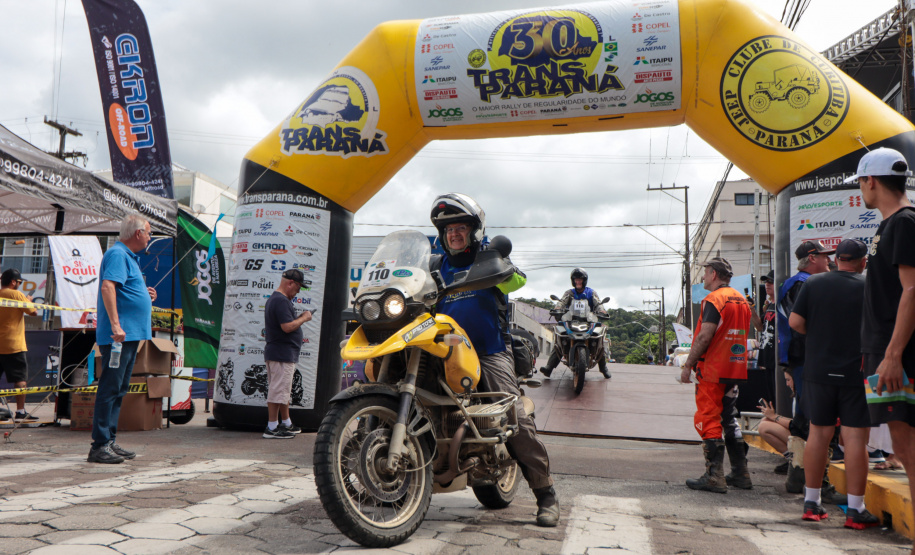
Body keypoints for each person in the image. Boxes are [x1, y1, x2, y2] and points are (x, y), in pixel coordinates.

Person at [430, 193, 559, 527]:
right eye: (448, 230)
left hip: (488, 351)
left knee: (513, 415)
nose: (454, 234)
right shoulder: (435, 267)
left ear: (474, 232)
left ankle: (545, 494)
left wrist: (501, 267)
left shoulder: (489, 258)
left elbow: (517, 280)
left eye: (460, 228)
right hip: (441, 351)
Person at [850, 147, 915, 543]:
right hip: (884, 351)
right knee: (905, 449)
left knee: (908, 450)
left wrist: (892, 356)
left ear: (871, 181)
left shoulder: (904, 222)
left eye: (859, 182)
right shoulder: (889, 226)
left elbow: (912, 290)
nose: (860, 190)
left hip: (898, 355)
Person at [789, 238, 876, 527]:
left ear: (836, 258)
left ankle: (811, 504)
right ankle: (855, 510)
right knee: (855, 440)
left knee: (818, 434)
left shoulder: (813, 284)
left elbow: (795, 323)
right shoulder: (869, 287)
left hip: (818, 371)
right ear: (863, 261)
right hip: (857, 373)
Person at [680, 257, 753, 493]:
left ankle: (714, 477)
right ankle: (741, 474)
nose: (703, 277)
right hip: (735, 367)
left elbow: (704, 336)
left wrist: (688, 364)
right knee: (729, 418)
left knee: (708, 418)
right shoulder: (742, 299)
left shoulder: (714, 299)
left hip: (712, 369)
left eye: (705, 272)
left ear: (713, 274)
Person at [89, 214, 157, 464]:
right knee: (110, 388)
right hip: (119, 337)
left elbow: (121, 289)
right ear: (138, 233)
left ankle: (108, 441)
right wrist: (116, 325)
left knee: (118, 389)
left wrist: (143, 293)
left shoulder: (127, 256)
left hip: (128, 336)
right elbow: (108, 287)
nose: (150, 238)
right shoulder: (118, 254)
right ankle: (99, 445)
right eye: (148, 233)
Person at [777, 239, 834, 493]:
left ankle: (798, 478)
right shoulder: (803, 283)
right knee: (815, 418)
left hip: (799, 359)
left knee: (805, 416)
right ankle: (813, 480)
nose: (829, 261)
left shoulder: (796, 282)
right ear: (812, 258)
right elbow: (800, 325)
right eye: (824, 256)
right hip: (807, 359)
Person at [262, 269, 312, 439]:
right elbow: (287, 327)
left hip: (281, 353)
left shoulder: (277, 300)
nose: (297, 293)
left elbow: (286, 324)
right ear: (291, 283)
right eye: (297, 289)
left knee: (283, 390)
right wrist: (304, 317)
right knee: (278, 390)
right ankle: (272, 427)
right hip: (282, 353)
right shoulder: (281, 301)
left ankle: (285, 423)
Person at [540, 268, 611, 379]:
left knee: (599, 341)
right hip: (571, 321)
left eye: (580, 280)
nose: (578, 282)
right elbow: (562, 302)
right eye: (576, 280)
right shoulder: (569, 293)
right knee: (560, 340)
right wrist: (558, 308)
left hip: (588, 321)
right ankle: (549, 367)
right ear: (573, 281)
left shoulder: (591, 293)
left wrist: (602, 310)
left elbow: (598, 303)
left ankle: (603, 368)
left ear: (584, 280)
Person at [0, 269, 38, 420]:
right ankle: (20, 411)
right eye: (19, 283)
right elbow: (33, 312)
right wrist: (28, 301)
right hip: (13, 344)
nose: (19, 285)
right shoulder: (16, 295)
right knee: (20, 378)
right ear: (13, 282)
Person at [758, 368, 796, 473]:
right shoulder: (799, 395)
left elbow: (797, 425)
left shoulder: (803, 396)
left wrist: (775, 417)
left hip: (807, 438)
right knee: (766, 421)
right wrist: (772, 416)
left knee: (764, 427)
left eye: (788, 380)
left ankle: (796, 462)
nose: (787, 384)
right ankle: (792, 459)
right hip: (804, 434)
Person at [757, 271, 777, 400]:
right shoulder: (769, 305)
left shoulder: (784, 304)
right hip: (767, 358)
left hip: (778, 360)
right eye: (766, 282)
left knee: (779, 398)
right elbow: (760, 327)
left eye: (770, 282)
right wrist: (752, 311)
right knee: (771, 397)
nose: (767, 284)